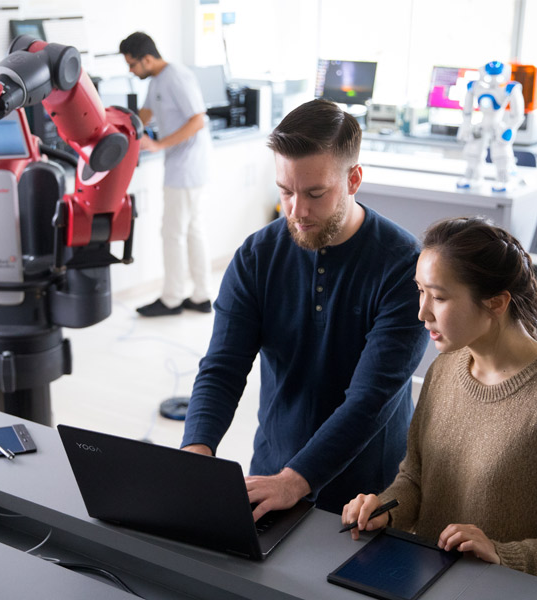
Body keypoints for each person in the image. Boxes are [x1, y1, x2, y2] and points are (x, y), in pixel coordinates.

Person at [341, 217, 537, 589]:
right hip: (422, 585)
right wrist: (386, 509)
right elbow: (416, 478)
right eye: (420, 291)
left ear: (496, 303)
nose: (422, 312)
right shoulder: (445, 368)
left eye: (439, 297)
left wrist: (503, 557)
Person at [181, 99, 429, 518]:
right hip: (274, 475)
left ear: (353, 179)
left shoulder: (404, 266)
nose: (297, 211)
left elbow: (370, 399)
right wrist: (195, 450)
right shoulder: (256, 256)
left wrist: (297, 480)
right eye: (285, 192)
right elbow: (222, 368)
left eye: (315, 193)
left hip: (369, 495)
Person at [119, 31, 213, 317]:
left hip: (186, 166)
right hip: (182, 165)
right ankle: (201, 295)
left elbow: (198, 120)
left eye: (133, 65)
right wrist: (120, 130)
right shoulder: (158, 79)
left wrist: (158, 144)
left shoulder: (177, 77)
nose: (131, 71)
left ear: (148, 59)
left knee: (172, 232)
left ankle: (172, 299)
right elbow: (146, 113)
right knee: (192, 230)